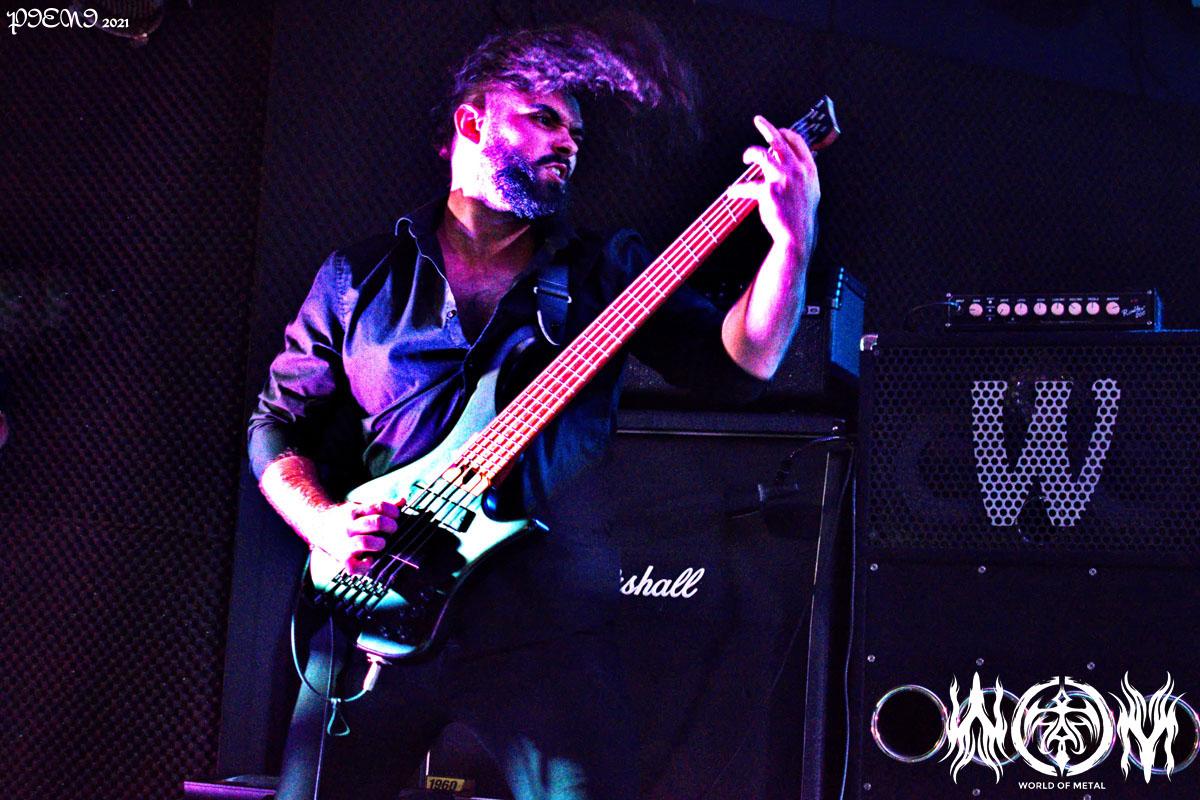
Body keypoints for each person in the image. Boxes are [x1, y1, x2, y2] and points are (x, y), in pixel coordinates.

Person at [248, 16, 819, 800]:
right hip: (371, 602)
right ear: (472, 123)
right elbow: (277, 425)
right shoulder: (359, 276)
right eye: (544, 118)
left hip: (544, 628)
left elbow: (739, 365)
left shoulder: (604, 271)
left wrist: (792, 241)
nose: (567, 142)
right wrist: (323, 523)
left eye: (576, 132)